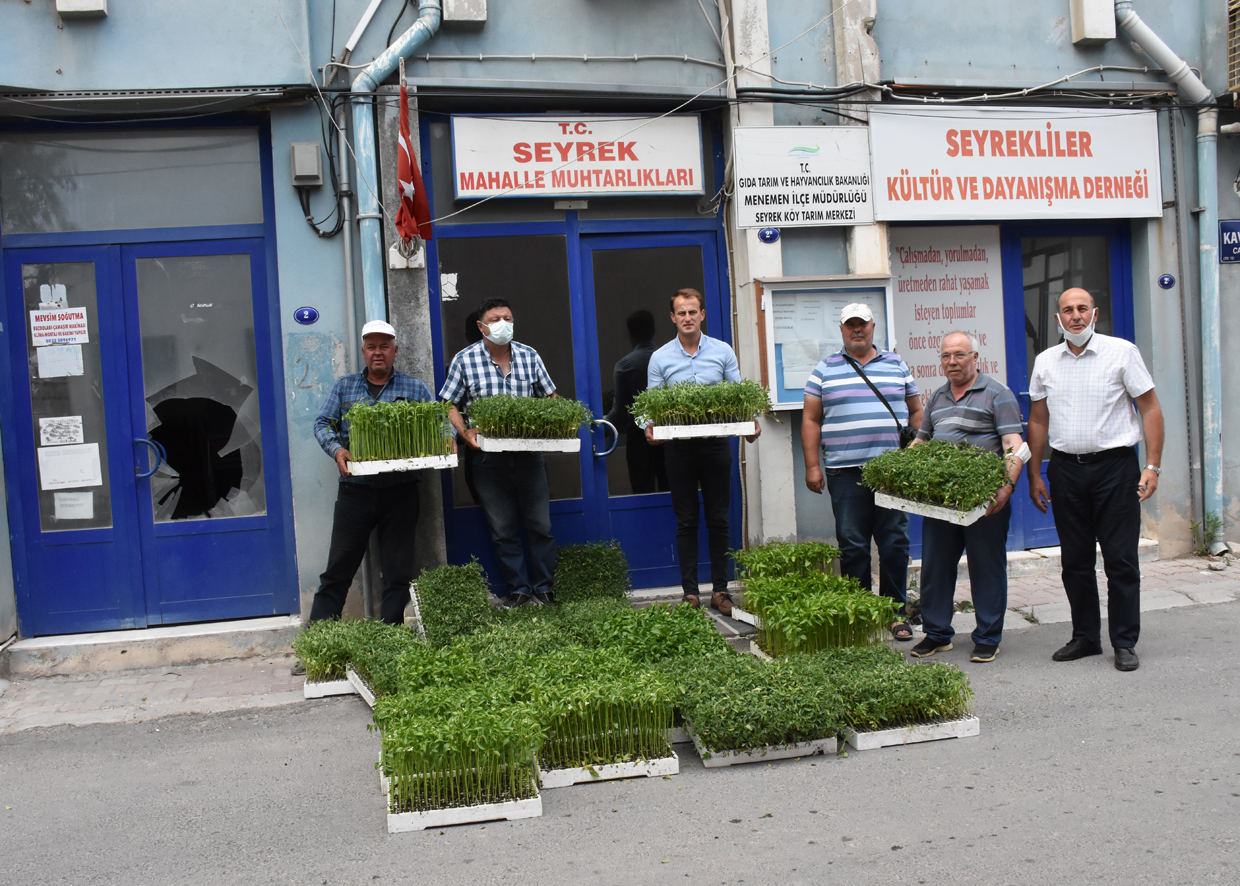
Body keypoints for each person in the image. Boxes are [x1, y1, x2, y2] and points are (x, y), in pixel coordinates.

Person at [1027, 288, 1163, 672]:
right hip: (1067, 470)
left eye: (1082, 309)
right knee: (1075, 561)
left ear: (1094, 313)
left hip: (1115, 469)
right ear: (1058, 319)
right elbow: (1038, 420)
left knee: (1121, 560)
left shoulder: (1121, 352)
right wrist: (1036, 473)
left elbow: (1150, 407)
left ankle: (1123, 641)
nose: (1075, 316)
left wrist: (1152, 465)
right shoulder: (1046, 362)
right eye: (1067, 310)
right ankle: (1086, 637)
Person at [801, 303, 923, 641]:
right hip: (844, 471)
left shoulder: (896, 364)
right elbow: (810, 419)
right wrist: (813, 466)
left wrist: (914, 455)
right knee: (853, 544)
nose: (857, 330)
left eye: (863, 324)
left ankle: (895, 613)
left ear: (873, 326)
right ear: (842, 330)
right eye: (850, 325)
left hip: (892, 473)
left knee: (895, 543)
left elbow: (917, 413)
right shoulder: (824, 369)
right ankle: (858, 613)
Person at [309, 320, 441, 624]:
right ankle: (318, 638)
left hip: (401, 491)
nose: (377, 353)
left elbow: (438, 421)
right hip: (356, 491)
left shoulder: (415, 388)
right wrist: (337, 449)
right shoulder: (345, 387)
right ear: (364, 352)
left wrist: (445, 437)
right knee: (338, 569)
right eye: (371, 347)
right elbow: (322, 423)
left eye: (384, 347)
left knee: (398, 571)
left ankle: (389, 638)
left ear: (395, 351)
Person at [908, 332, 1025, 663]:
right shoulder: (937, 398)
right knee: (935, 566)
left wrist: (1006, 487)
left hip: (983, 498)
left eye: (959, 355)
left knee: (986, 566)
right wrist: (899, 470)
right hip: (941, 500)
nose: (952, 361)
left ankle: (987, 637)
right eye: (946, 356)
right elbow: (922, 441)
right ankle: (936, 634)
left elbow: (1013, 444)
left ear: (976, 358)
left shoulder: (997, 394)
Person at [645, 288, 759, 615]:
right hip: (678, 450)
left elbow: (737, 397)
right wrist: (648, 428)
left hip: (715, 447)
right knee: (686, 521)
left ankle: (721, 591)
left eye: (693, 312)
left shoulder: (722, 352)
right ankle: (690, 593)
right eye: (681, 313)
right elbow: (649, 406)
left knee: (719, 519)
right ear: (672, 317)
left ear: (702, 314)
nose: (687, 318)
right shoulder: (660, 358)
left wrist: (749, 424)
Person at [440, 298, 559, 607]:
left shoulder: (529, 356)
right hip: (487, 459)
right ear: (482, 327)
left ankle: (544, 588)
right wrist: (464, 432)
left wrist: (549, 424)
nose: (503, 323)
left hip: (528, 456)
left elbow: (550, 397)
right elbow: (448, 403)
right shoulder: (464, 360)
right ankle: (519, 589)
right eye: (495, 319)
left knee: (541, 526)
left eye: (508, 317)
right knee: (503, 529)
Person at [606, 309, 667, 494]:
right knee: (671, 491)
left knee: (642, 494)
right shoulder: (668, 360)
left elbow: (619, 413)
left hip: (638, 438)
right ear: (654, 330)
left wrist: (596, 431)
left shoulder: (625, 365)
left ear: (630, 333)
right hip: (667, 433)